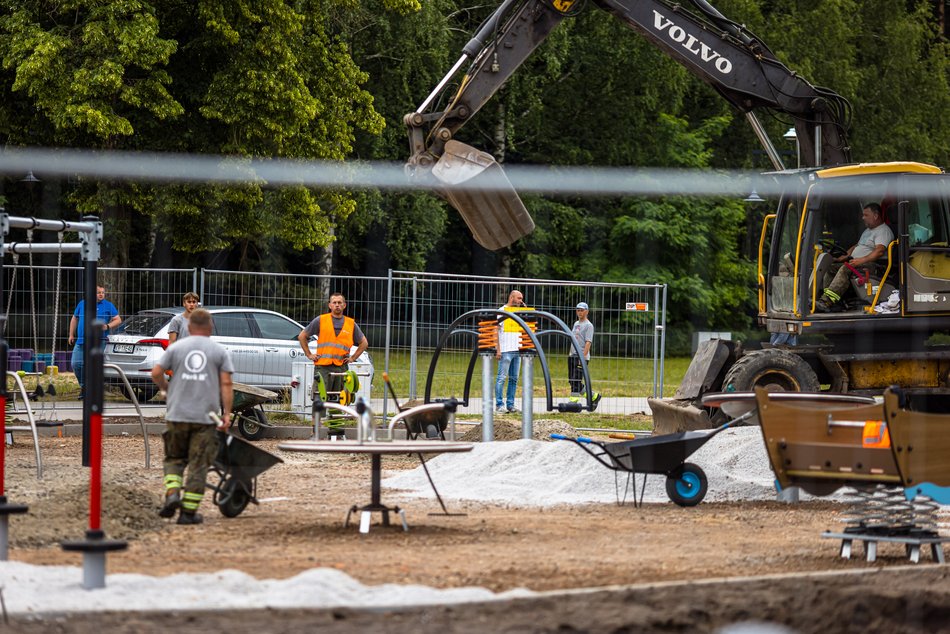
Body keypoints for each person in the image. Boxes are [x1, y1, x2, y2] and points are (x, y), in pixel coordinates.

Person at [150, 308, 234, 525]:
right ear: (210, 326)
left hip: (177, 414)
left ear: (188, 327)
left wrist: (166, 388)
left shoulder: (176, 348)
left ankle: (172, 494)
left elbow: (156, 372)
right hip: (204, 419)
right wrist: (226, 413)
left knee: (174, 458)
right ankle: (188, 513)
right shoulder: (218, 351)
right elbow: (226, 384)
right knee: (198, 464)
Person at [297, 293, 369, 435]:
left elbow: (364, 343)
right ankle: (315, 432)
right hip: (323, 367)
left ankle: (336, 431)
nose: (337, 305)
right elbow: (302, 336)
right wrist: (309, 354)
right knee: (319, 398)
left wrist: (353, 358)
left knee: (339, 398)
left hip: (341, 368)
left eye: (339, 302)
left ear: (344, 305)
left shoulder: (350, 324)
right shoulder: (321, 320)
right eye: (334, 302)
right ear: (329, 305)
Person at [816, 203, 894, 312]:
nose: (863, 218)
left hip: (872, 266)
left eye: (866, 215)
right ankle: (834, 302)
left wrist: (860, 260)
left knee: (846, 268)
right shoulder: (868, 231)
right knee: (830, 267)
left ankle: (827, 301)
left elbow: (879, 251)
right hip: (858, 263)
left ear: (876, 216)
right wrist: (845, 257)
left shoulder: (883, 231)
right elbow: (857, 246)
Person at [67, 285, 121, 399]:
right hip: (81, 340)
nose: (101, 294)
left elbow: (118, 319)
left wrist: (107, 326)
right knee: (76, 364)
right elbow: (74, 318)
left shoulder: (108, 305)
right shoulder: (82, 303)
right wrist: (71, 334)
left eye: (103, 292)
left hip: (99, 341)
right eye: (98, 292)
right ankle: (84, 387)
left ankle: (92, 391)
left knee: (94, 366)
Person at [495, 290, 525, 414]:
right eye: (518, 298)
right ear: (511, 297)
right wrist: (498, 349)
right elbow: (495, 331)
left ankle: (510, 405)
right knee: (501, 378)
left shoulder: (519, 312)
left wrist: (525, 309)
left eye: (521, 298)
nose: (520, 301)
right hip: (506, 350)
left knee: (514, 379)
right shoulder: (502, 311)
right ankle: (499, 404)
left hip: (517, 350)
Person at [568, 302, 594, 397]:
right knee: (571, 380)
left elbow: (588, 342)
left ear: (587, 311)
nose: (580, 312)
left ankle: (573, 401)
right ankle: (593, 396)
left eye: (582, 310)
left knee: (576, 379)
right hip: (573, 355)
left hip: (581, 356)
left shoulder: (588, 325)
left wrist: (582, 358)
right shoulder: (576, 324)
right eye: (578, 310)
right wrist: (570, 353)